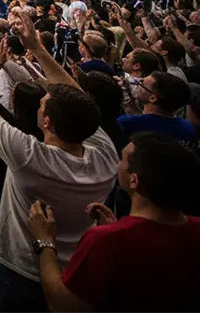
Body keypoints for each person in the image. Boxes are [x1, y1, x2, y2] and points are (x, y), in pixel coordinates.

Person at [0, 9, 118, 313]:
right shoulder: (105, 154)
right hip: (74, 272)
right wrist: (37, 48)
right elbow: (78, 100)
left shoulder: (28, 155)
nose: (42, 98)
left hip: (19, 274)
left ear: (48, 122)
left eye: (44, 102)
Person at [28, 131, 200, 312]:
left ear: (134, 180)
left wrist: (45, 241)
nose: (118, 164)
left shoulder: (106, 241)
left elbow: (64, 305)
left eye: (122, 160)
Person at [118, 70, 197, 142]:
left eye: (141, 83)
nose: (137, 85)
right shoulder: (187, 127)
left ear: (153, 98)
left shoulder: (125, 123)